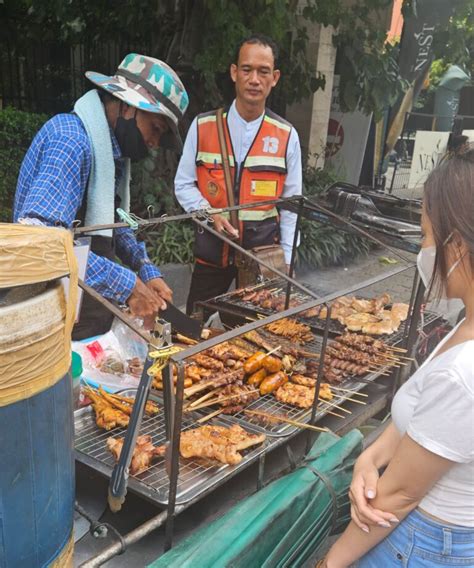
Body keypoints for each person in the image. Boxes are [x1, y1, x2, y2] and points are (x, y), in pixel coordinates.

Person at [319, 146, 474, 567]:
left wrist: (329, 563)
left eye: (426, 236)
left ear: (456, 244)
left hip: (424, 543)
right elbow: (426, 415)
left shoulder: (464, 373)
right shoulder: (467, 320)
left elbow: (398, 496)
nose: (423, 250)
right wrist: (370, 456)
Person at [14, 53, 189, 339]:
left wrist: (144, 269)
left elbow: (108, 222)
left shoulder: (109, 150)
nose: (154, 143)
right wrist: (127, 284)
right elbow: (42, 243)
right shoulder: (70, 141)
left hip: (83, 314)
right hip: (48, 320)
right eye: (155, 129)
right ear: (127, 106)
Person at [174, 34, 302, 314]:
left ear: (275, 77)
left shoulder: (286, 135)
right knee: (193, 331)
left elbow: (293, 204)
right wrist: (208, 212)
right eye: (247, 69)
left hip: (261, 261)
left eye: (263, 71)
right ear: (234, 73)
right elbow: (183, 184)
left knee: (255, 340)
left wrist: (288, 260)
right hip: (212, 255)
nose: (254, 79)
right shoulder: (203, 126)